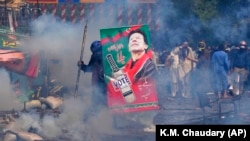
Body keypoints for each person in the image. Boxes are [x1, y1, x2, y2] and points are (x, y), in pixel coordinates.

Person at [77, 40, 106, 110]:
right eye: (96, 52)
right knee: (97, 102)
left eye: (99, 51)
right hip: (98, 83)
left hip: (108, 83)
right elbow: (90, 68)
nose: (98, 54)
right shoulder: (94, 57)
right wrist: (82, 66)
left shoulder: (108, 55)